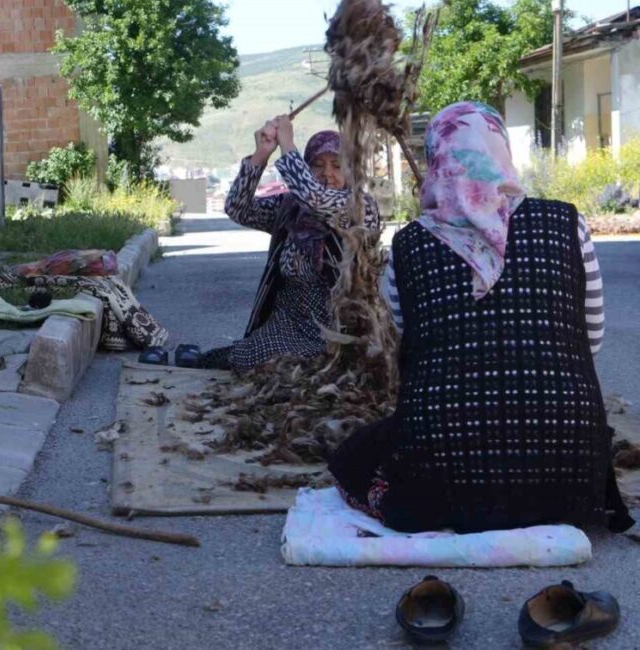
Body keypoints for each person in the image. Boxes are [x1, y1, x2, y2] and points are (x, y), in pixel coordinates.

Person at [328, 101, 634, 534]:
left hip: (445, 463)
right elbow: (591, 341)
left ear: (437, 159)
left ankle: (441, 504)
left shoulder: (409, 245)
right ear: (500, 151)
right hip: (568, 464)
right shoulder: (567, 224)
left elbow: (412, 343)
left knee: (355, 457)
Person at [182, 115, 380, 371]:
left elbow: (315, 197)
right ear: (306, 167)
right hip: (288, 322)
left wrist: (287, 143)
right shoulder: (290, 208)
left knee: (315, 369)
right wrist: (260, 155)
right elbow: (238, 209)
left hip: (340, 329)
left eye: (337, 165)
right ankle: (218, 356)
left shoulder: (360, 208)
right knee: (256, 358)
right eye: (317, 165)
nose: (327, 173)